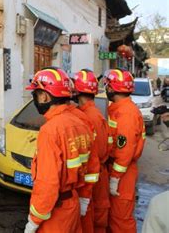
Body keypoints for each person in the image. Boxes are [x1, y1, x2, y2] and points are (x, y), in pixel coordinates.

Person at [24, 67, 93, 233]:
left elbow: (48, 183)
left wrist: (33, 221)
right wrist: (84, 198)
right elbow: (90, 167)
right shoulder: (80, 122)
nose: (35, 99)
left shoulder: (51, 130)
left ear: (45, 96)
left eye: (36, 94)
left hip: (56, 213)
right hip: (73, 205)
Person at [103, 69, 145, 233]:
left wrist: (115, 178)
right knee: (115, 216)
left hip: (123, 173)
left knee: (121, 220)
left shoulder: (126, 114)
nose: (106, 89)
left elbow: (125, 151)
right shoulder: (119, 108)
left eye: (107, 86)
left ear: (112, 88)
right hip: (119, 169)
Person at [73, 69, 112, 233]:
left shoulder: (87, 117)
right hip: (98, 175)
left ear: (77, 91)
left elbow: (96, 153)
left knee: (93, 220)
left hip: (92, 178)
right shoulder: (93, 113)